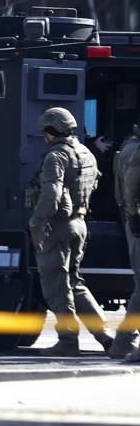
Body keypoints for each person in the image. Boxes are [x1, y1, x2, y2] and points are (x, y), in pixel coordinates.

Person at [28, 107, 115, 357]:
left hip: (58, 226)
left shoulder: (56, 156)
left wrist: (36, 222)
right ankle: (107, 337)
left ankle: (67, 340)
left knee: (56, 285)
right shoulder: (85, 152)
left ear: (50, 132)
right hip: (80, 223)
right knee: (75, 283)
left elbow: (51, 193)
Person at [111, 123, 140, 360]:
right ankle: (124, 339)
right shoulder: (134, 150)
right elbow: (130, 185)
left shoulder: (131, 148)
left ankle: (124, 340)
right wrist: (135, 215)